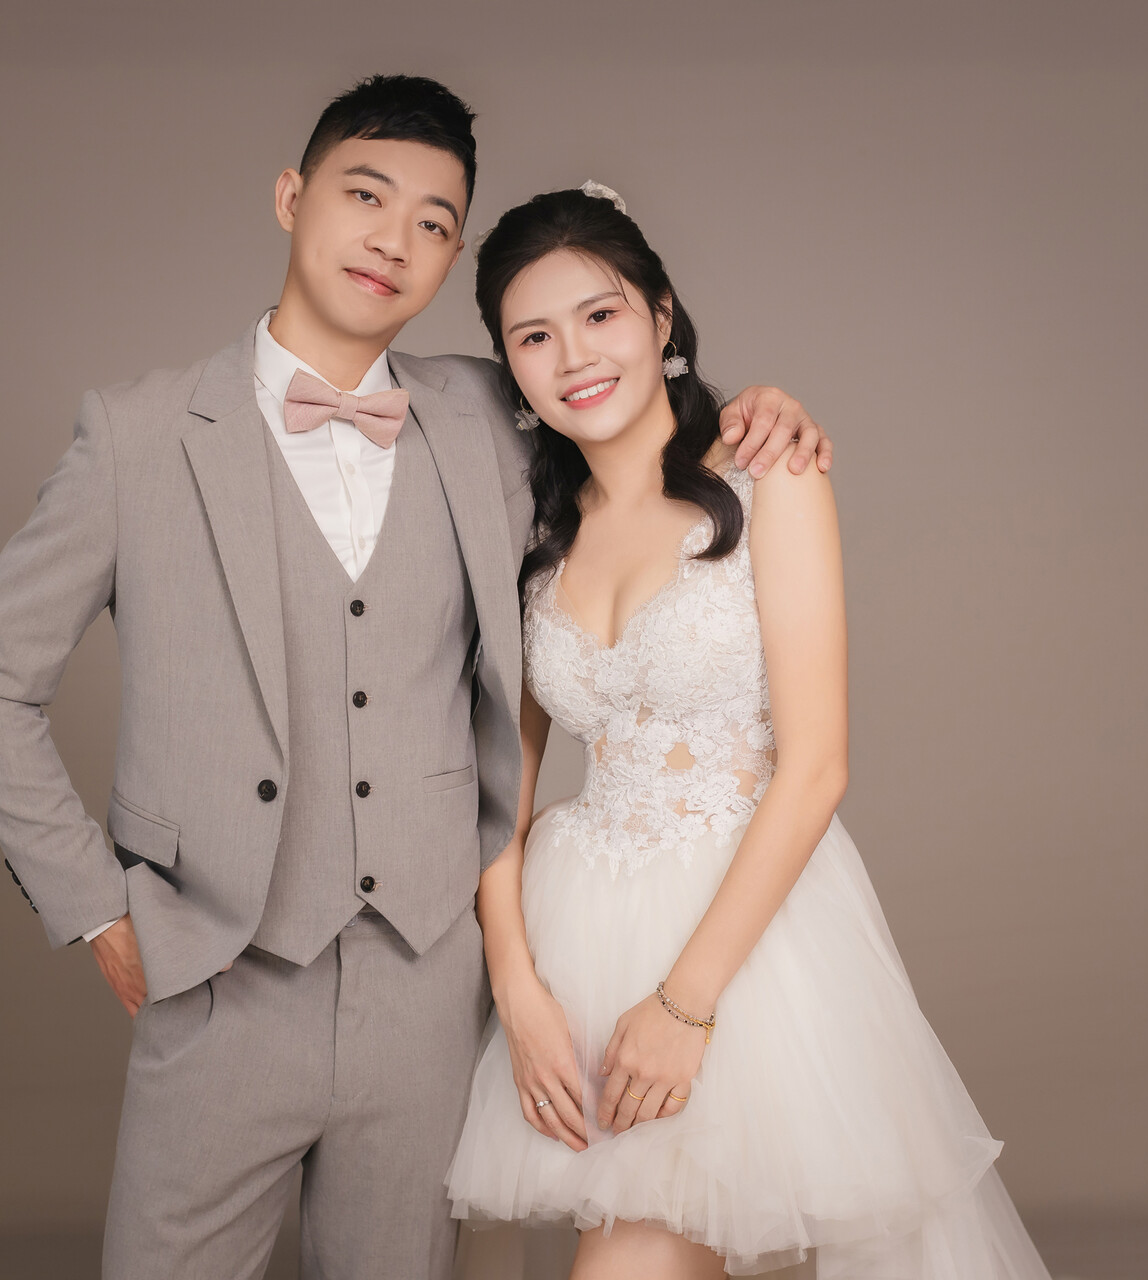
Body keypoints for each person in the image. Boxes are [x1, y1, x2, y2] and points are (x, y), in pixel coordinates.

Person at [0, 78, 828, 1280]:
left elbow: (625, 402)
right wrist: (95, 903)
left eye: (433, 222)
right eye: (366, 196)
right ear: (291, 197)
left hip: (428, 989)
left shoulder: (489, 412)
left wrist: (759, 411)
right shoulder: (137, 436)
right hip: (220, 979)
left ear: (451, 257)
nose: (394, 239)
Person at [443, 185, 1052, 1279]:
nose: (574, 356)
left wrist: (685, 1006)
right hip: (578, 935)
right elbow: (502, 790)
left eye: (601, 314)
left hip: (750, 942)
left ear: (661, 316)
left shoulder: (771, 476)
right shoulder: (531, 537)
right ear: (509, 368)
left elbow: (816, 767)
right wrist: (520, 990)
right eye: (533, 336)